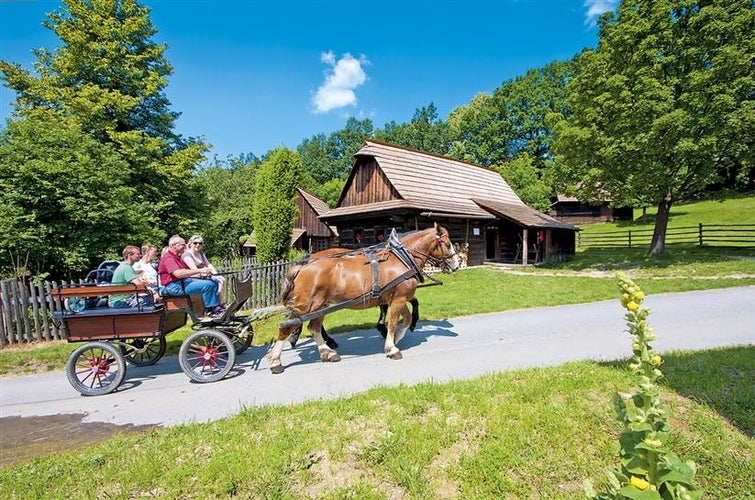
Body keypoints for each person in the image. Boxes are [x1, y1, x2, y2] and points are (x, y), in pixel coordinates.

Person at [158, 235, 225, 318]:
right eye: (183, 244)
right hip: (174, 287)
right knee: (208, 285)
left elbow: (186, 272)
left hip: (183, 283)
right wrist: (200, 270)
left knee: (214, 282)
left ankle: (216, 306)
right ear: (175, 245)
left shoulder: (177, 257)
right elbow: (178, 274)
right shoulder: (168, 258)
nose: (185, 246)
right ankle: (211, 310)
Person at [182, 234, 226, 306]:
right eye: (195, 243)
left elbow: (208, 264)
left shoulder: (201, 253)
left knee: (221, 279)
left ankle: (220, 303)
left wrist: (216, 275)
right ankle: (214, 305)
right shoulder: (187, 255)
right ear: (190, 243)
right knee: (214, 283)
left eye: (200, 243)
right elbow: (195, 271)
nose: (198, 245)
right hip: (193, 278)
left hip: (203, 275)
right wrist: (208, 275)